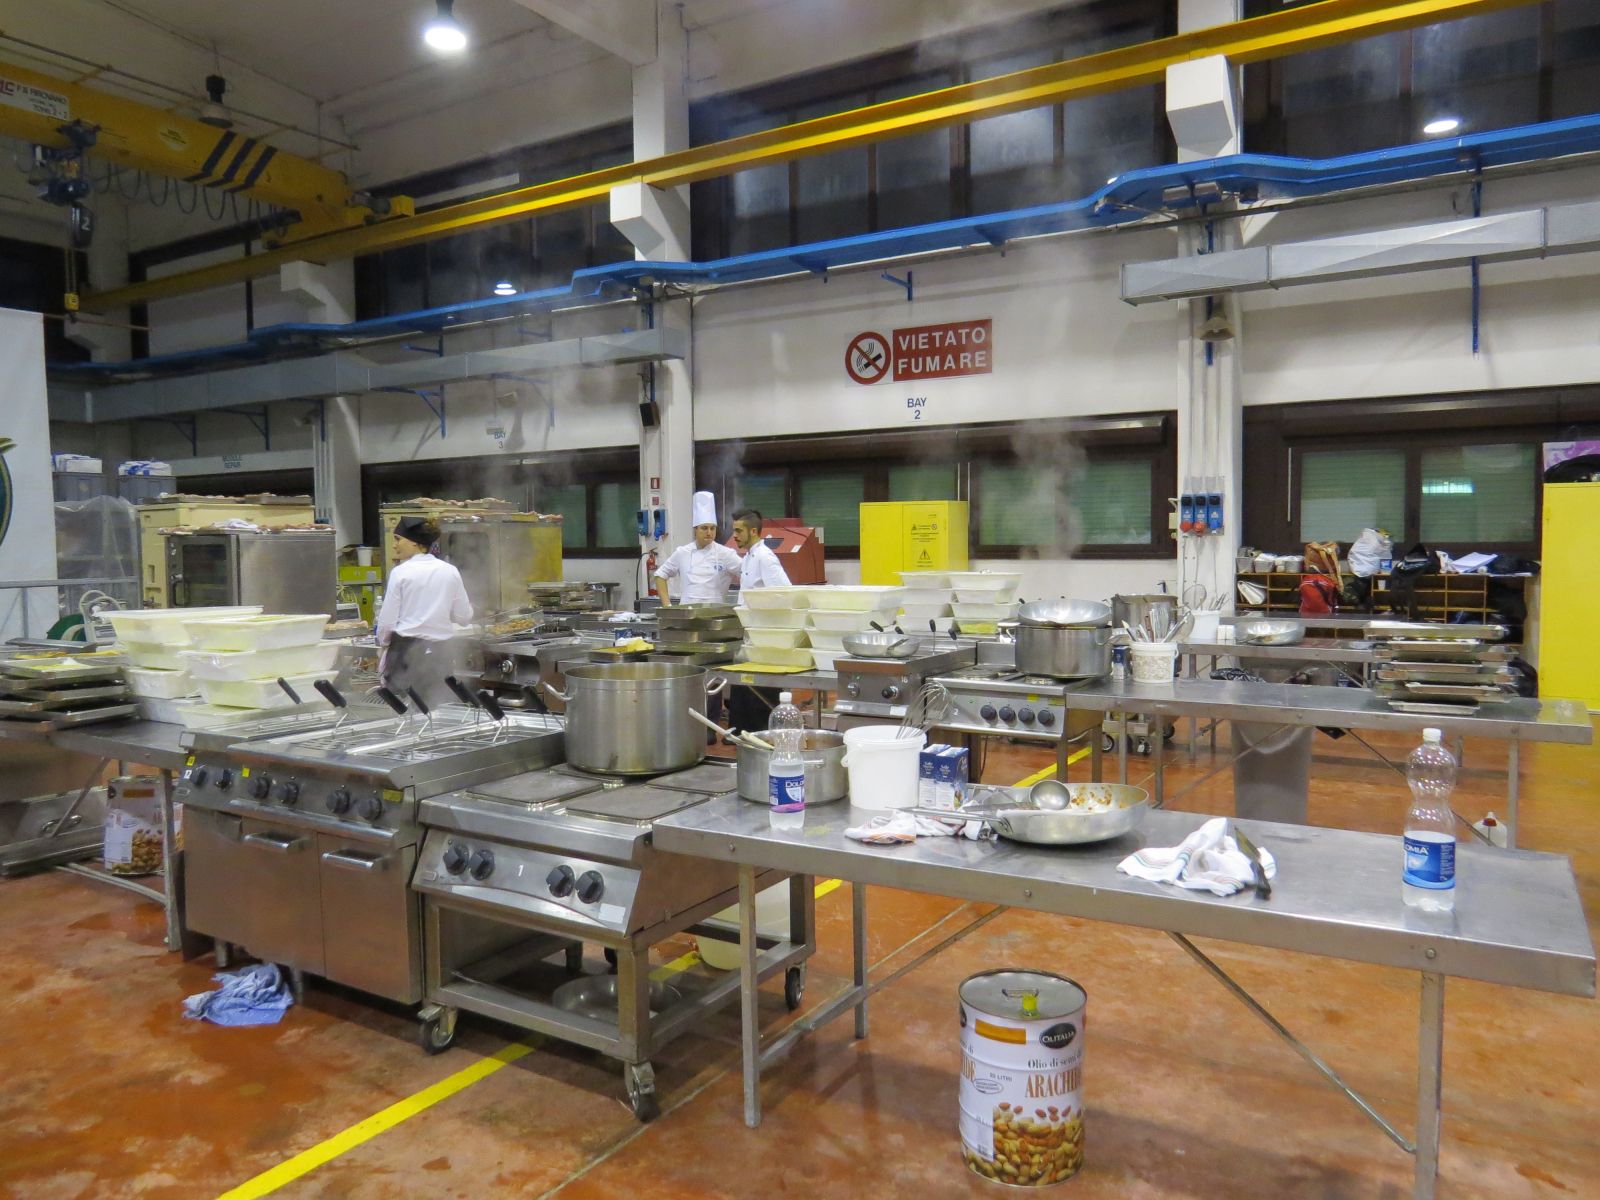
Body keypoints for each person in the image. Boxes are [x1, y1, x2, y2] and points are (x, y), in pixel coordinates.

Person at [376, 516, 473, 708]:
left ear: (414, 542)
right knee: (437, 707)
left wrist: (383, 646)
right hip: (440, 654)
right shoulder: (450, 571)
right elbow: (464, 617)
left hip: (406, 652)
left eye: (398, 539)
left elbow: (387, 623)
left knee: (402, 711)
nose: (395, 545)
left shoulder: (400, 572)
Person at [728, 507, 791, 734]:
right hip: (751, 632)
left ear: (753, 531)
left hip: (765, 635)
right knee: (743, 684)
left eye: (738, 531)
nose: (734, 535)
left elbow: (784, 593)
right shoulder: (748, 557)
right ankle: (741, 731)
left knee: (761, 688)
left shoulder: (765, 557)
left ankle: (761, 733)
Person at [653, 491, 741, 606]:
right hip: (686, 614)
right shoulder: (682, 553)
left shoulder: (726, 554)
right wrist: (667, 606)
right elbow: (660, 575)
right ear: (695, 530)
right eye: (704, 528)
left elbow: (748, 573)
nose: (709, 532)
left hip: (715, 614)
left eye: (712, 528)